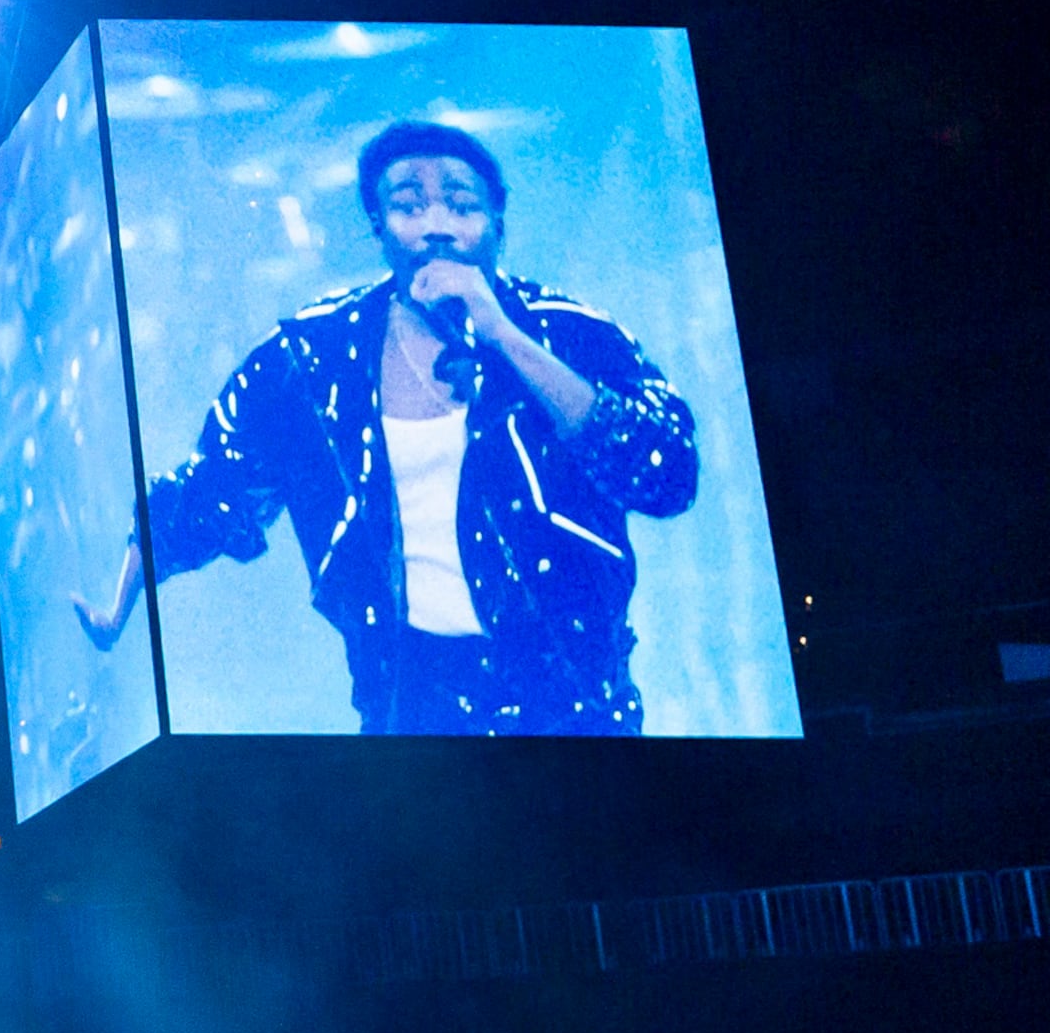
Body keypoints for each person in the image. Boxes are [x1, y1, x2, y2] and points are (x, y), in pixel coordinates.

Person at [79, 119, 699, 733]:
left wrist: (505, 337)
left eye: (460, 205)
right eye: (408, 205)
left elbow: (667, 474)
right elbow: (209, 489)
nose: (435, 224)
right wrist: (118, 608)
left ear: (497, 223)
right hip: (409, 715)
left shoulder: (572, 333)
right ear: (378, 227)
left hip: (580, 711)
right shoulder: (313, 356)